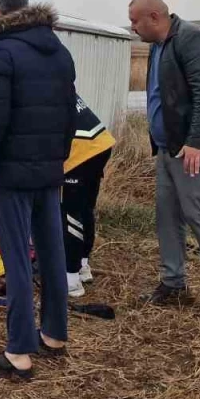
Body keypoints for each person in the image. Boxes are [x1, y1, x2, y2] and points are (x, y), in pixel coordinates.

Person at [0, 0, 76, 380]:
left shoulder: (3, 51)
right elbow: (69, 113)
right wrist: (58, 157)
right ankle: (55, 334)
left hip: (13, 171)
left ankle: (18, 353)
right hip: (50, 169)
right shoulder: (59, 51)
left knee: (15, 258)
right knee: (51, 251)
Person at [129, 0, 200, 325]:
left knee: (198, 215)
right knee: (167, 215)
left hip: (195, 149)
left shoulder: (192, 39)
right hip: (169, 148)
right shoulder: (158, 46)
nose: (132, 28)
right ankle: (174, 283)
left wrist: (195, 142)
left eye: (135, 21)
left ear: (153, 16)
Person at [62, 94, 116, 298]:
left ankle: (71, 278)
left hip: (81, 149)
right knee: (85, 208)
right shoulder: (57, 75)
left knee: (70, 212)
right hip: (99, 142)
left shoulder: (31, 85)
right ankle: (83, 265)